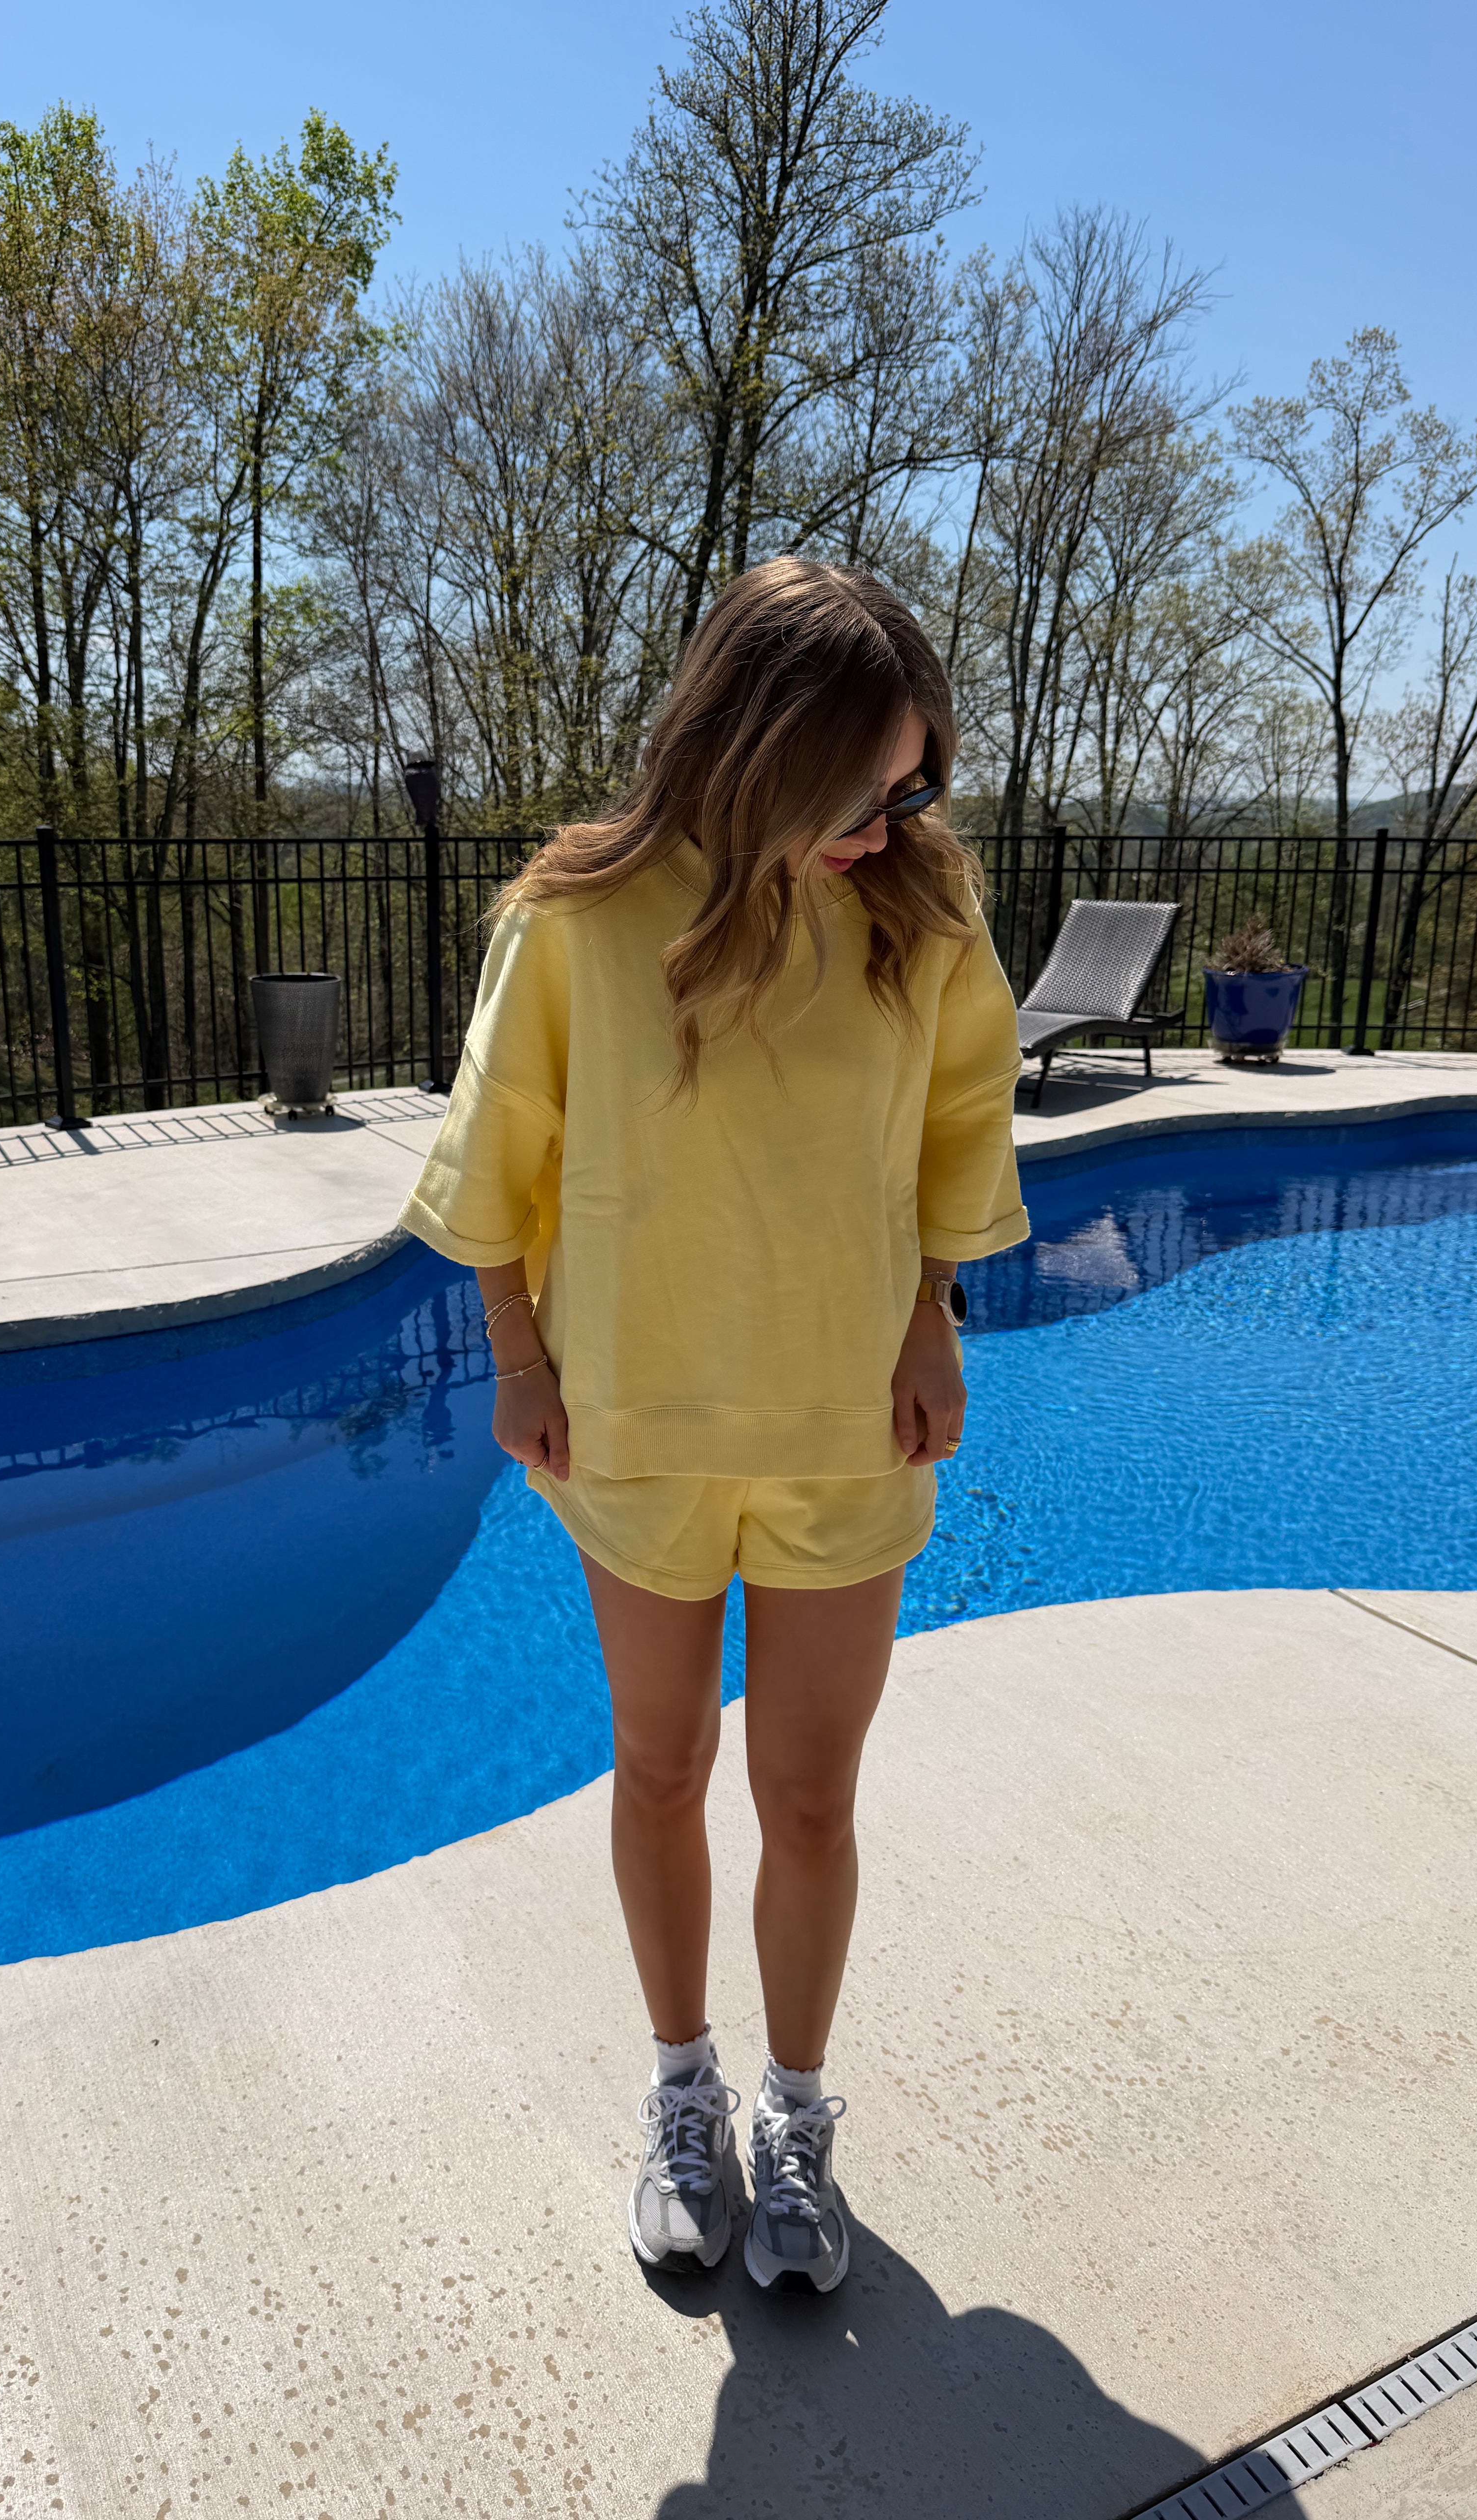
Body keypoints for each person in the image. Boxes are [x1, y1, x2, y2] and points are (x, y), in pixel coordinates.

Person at [400, 555, 1027, 2292]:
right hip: (638, 1428)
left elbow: (954, 1131)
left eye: (916, 782)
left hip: (847, 1426)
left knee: (810, 1797)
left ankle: (798, 2117)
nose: (895, 814)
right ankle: (683, 2093)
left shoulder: (924, 912)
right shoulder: (581, 918)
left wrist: (934, 1314)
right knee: (663, 1768)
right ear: (756, 744)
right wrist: (518, 1357)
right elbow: (497, 1153)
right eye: (867, 783)